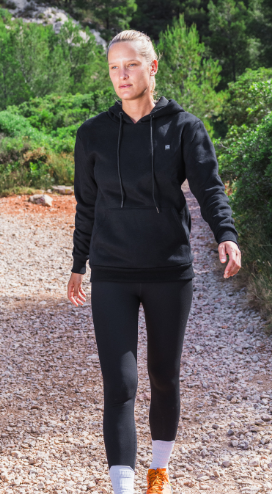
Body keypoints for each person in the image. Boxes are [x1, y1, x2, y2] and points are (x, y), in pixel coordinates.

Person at [67, 30, 241, 494]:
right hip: (112, 274)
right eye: (113, 67)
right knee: (120, 384)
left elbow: (209, 188)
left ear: (153, 66)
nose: (121, 75)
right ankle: (123, 486)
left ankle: (157, 473)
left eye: (130, 65)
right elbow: (86, 204)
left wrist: (226, 235)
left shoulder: (184, 128)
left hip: (169, 271)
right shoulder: (92, 133)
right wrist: (78, 263)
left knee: (164, 376)